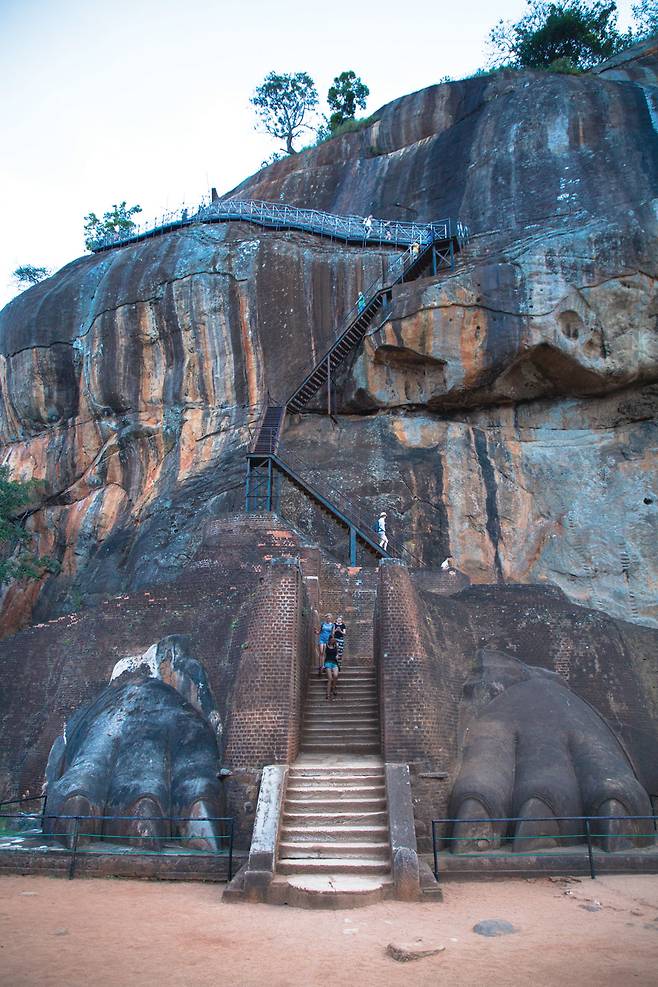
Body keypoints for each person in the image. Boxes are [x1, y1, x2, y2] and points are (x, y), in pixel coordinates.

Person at [323, 634, 339, 700]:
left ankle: (333, 689)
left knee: (335, 675)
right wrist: (323, 665)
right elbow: (323, 655)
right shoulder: (325, 645)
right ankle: (328, 694)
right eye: (332, 640)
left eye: (333, 640)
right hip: (327, 663)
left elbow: (337, 654)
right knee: (330, 678)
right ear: (329, 640)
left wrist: (337, 656)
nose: (333, 641)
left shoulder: (336, 645)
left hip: (334, 663)